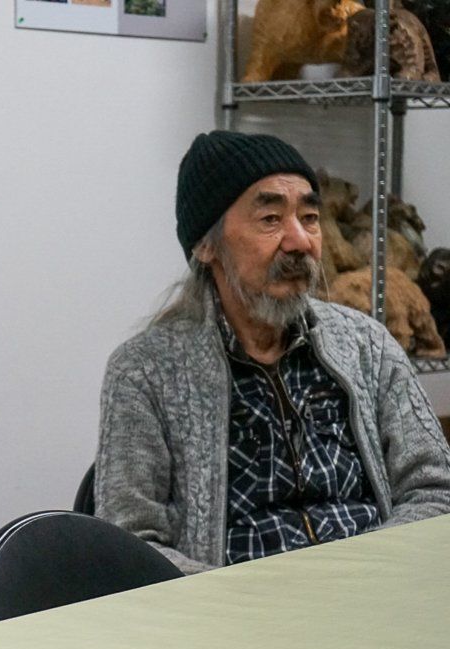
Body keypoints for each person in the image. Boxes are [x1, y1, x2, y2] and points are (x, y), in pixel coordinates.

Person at [94, 130, 450, 574]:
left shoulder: (368, 345)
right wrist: (250, 600)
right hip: (232, 622)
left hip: (373, 593)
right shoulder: (146, 373)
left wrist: (363, 570)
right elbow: (130, 544)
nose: (300, 241)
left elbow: (436, 489)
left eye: (310, 217)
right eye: (270, 219)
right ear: (207, 245)